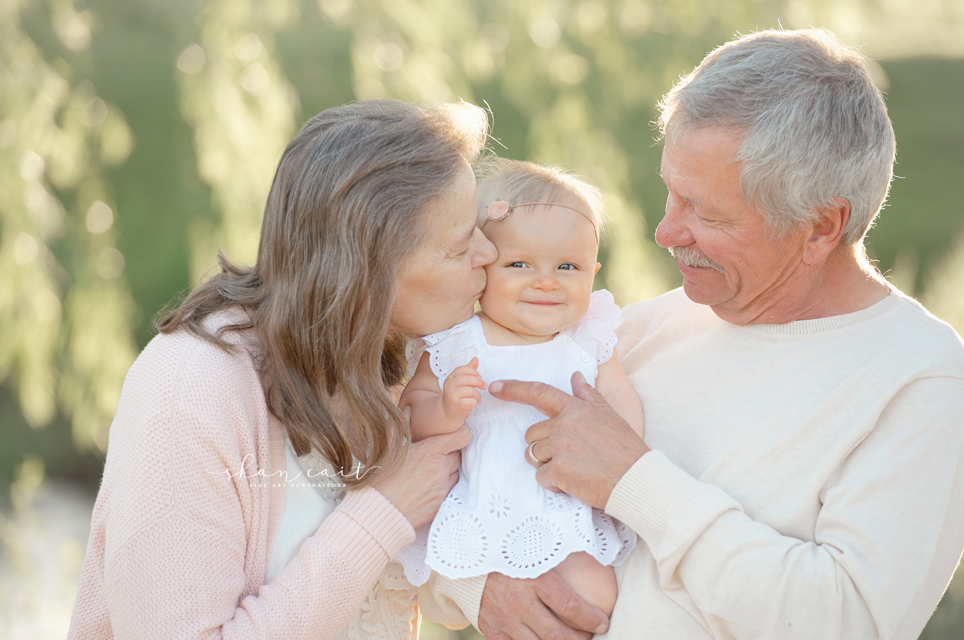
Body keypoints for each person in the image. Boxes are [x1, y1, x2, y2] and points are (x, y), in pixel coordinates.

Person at [439, 29, 964, 640]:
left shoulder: (922, 383)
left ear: (822, 226)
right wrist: (478, 588)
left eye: (705, 212)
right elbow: (448, 476)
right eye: (671, 193)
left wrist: (634, 481)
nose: (664, 232)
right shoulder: (629, 332)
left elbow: (844, 620)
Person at [69, 99, 517, 640]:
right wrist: (380, 513)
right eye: (459, 244)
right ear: (368, 270)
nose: (490, 253)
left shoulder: (404, 366)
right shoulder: (188, 389)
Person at [395, 159, 641, 615]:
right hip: (484, 500)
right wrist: (446, 408)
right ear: (484, 265)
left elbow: (620, 400)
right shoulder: (458, 339)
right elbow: (412, 410)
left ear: (593, 271)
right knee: (512, 610)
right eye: (519, 263)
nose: (545, 281)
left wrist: (623, 450)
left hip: (563, 498)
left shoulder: (587, 338)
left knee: (596, 599)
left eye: (568, 266)